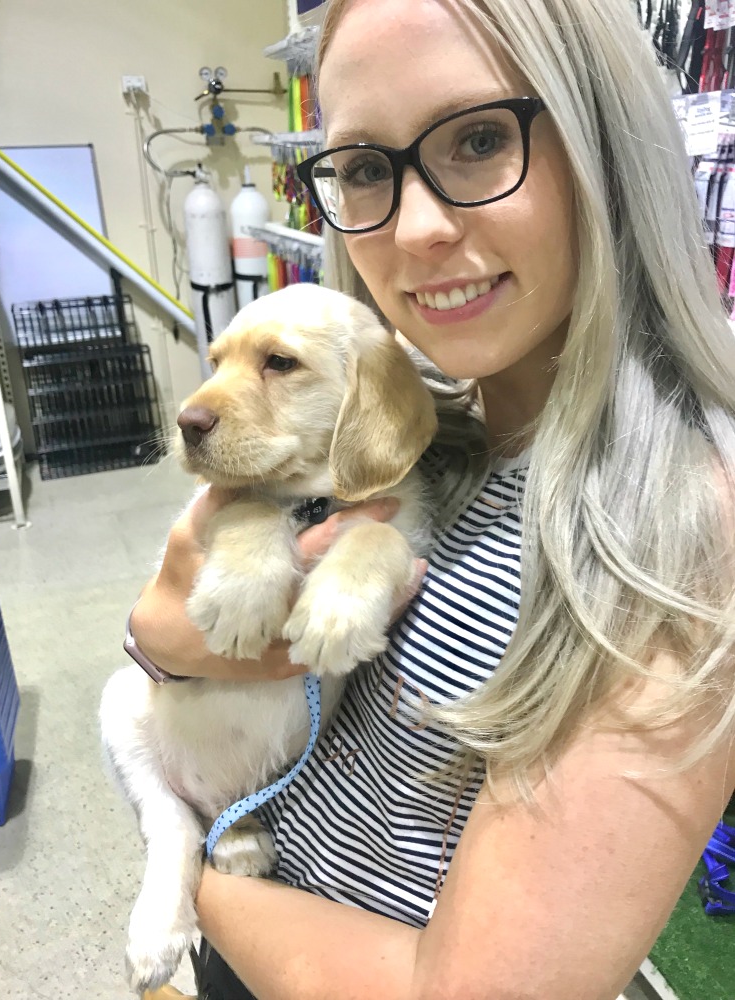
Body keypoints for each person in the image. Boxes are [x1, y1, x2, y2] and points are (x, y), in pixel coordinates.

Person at [130, 0, 735, 997]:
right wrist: (162, 644)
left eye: (482, 138)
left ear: (609, 140)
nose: (414, 229)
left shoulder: (676, 523)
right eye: (365, 167)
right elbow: (183, 621)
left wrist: (186, 869)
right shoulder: (437, 420)